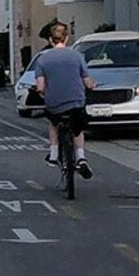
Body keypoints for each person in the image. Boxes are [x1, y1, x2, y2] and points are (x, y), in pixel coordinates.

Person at [34, 21, 97, 178]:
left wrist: (42, 93)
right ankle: (81, 157)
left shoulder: (42, 59)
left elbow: (40, 86)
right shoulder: (77, 56)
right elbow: (87, 81)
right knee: (77, 129)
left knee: (53, 123)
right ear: (67, 38)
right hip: (76, 101)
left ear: (50, 39)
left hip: (54, 104)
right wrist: (92, 85)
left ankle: (54, 153)